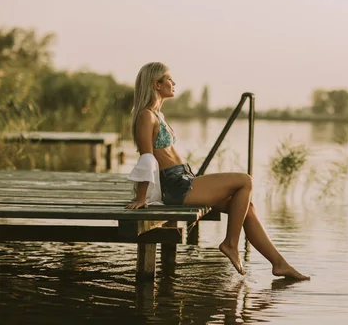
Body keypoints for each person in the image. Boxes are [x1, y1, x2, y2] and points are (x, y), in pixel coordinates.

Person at [126, 62, 309, 280]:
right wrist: (141, 196)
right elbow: (146, 158)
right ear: (156, 84)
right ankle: (231, 244)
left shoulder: (158, 115)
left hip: (184, 179)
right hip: (175, 186)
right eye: (169, 79)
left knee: (246, 207)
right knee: (245, 180)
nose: (173, 83)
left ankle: (279, 264)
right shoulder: (146, 116)